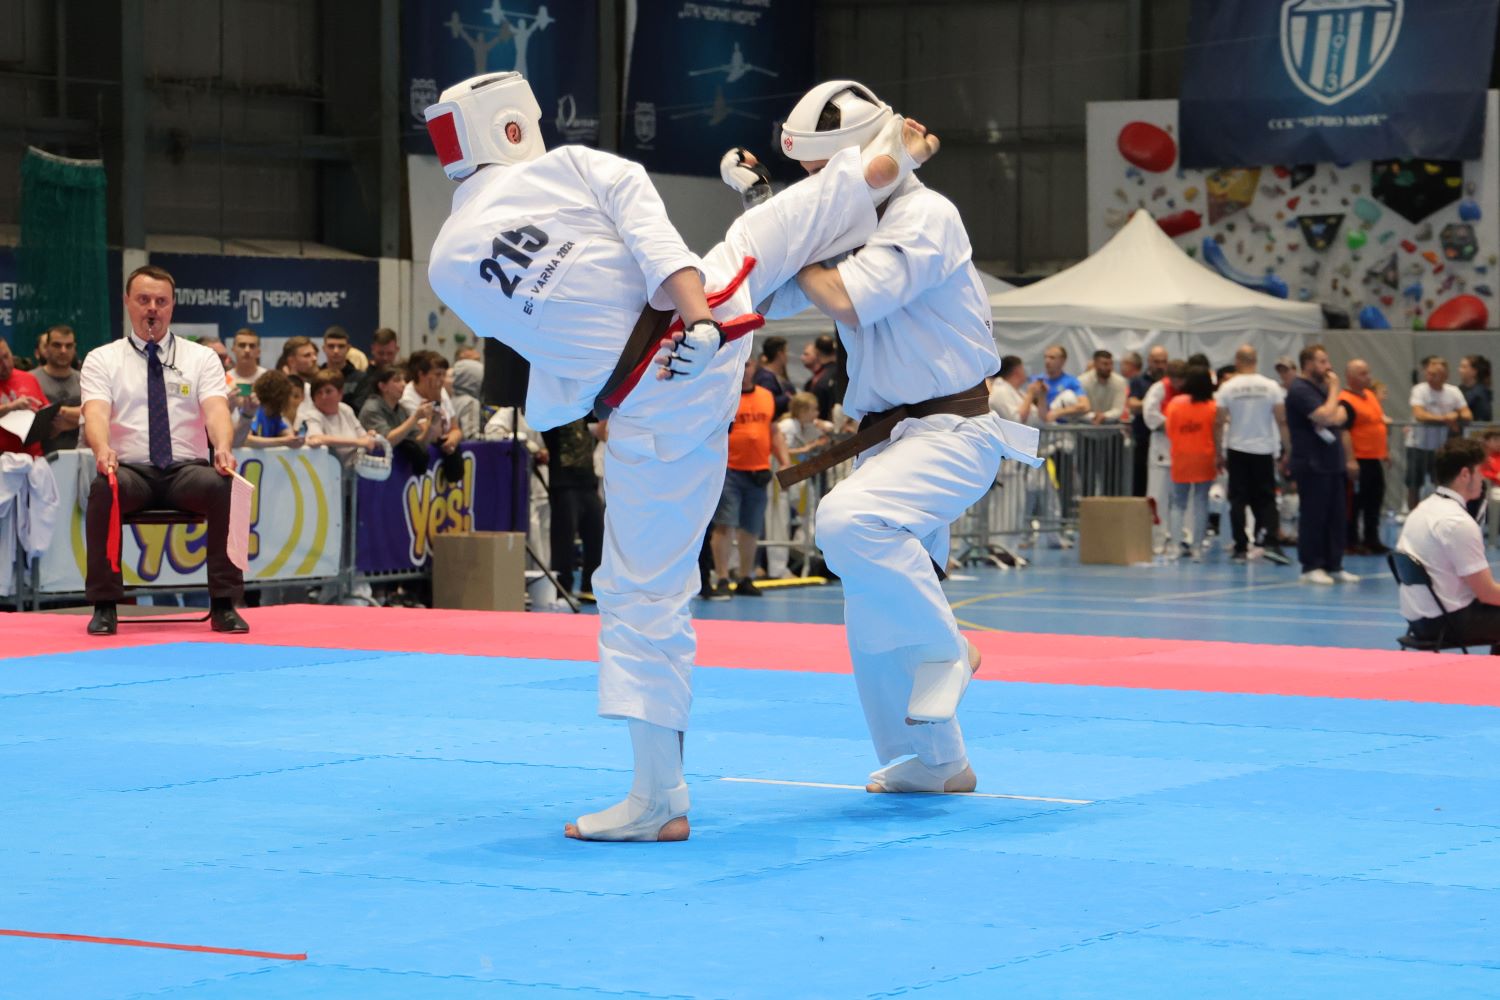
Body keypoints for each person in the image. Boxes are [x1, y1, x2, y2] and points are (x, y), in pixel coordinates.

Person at [425, 70, 930, 840]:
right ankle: (885, 161)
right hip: (705, 330)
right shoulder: (569, 166)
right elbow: (649, 228)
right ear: (514, 127)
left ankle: (659, 795)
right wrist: (698, 320)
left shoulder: (446, 261)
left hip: (647, 403)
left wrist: (596, 397)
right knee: (759, 246)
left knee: (640, 592)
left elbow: (533, 361)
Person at [755, 79, 1039, 797]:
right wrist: (765, 221)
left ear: (862, 155)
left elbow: (846, 297)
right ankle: (936, 762)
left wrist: (793, 240)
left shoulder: (925, 214)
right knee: (875, 610)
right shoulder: (847, 225)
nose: (818, 189)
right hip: (894, 439)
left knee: (849, 520)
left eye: (824, 173)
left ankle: (952, 649)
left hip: (952, 429)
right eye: (809, 178)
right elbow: (766, 294)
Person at [79, 265, 248, 635]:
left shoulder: (201, 358)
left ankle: (224, 604)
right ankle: (105, 605)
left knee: (224, 485)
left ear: (172, 306)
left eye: (161, 301)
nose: (152, 308)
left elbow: (216, 410)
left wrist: (222, 447)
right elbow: (96, 413)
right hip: (129, 470)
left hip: (186, 471)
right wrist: (102, 448)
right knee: (104, 489)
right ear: (127, 302)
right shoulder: (102, 358)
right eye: (144, 300)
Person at [1395, 437, 1500, 648]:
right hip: (1447, 621)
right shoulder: (1456, 522)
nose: (1483, 478)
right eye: (1480, 472)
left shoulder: (1423, 509)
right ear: (1465, 474)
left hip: (1418, 619)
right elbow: (1487, 594)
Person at [709, 355, 790, 598]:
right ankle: (723, 576)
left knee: (751, 528)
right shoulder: (725, 395)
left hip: (758, 471)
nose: (744, 370)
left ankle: (746, 576)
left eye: (747, 365)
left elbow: (773, 430)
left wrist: (785, 461)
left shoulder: (766, 396)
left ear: (754, 366)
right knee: (725, 525)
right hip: (729, 470)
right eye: (741, 365)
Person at [1284, 344, 1356, 585]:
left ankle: (1333, 564)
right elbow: (1325, 416)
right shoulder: (1299, 389)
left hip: (1332, 462)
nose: (1328, 367)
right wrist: (1335, 391)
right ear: (1308, 364)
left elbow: (1342, 414)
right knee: (1314, 515)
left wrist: (1331, 410)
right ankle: (1311, 565)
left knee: (1336, 516)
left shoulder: (1321, 389)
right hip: (1311, 463)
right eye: (1322, 361)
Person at [1213, 344, 1291, 564]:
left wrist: (1218, 452)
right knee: (1266, 498)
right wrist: (1288, 449)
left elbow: (1218, 422)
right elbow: (1282, 420)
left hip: (1237, 449)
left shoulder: (1228, 387)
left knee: (1238, 499)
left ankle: (1240, 547)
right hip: (1263, 450)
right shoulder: (1271, 386)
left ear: (1237, 361)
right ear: (1256, 361)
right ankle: (1270, 542)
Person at [541, 415, 605, 596]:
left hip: (589, 483)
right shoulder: (555, 415)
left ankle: (590, 586)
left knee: (597, 535)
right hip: (563, 483)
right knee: (564, 539)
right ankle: (562, 589)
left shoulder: (588, 414)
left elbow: (602, 430)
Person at [1405, 356, 1471, 512]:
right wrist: (1445, 418)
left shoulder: (1453, 391)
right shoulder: (1419, 390)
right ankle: (1413, 515)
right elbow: (1419, 414)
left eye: (1435, 374)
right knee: (1414, 484)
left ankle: (1439, 514)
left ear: (1445, 376)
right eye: (1428, 373)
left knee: (1441, 484)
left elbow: (1467, 415)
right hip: (1417, 445)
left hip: (1440, 447)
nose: (1430, 377)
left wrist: (1456, 415)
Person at [1339, 358, 1391, 555]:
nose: (1368, 377)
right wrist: (1350, 460)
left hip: (1374, 458)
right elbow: (1344, 431)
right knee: (1355, 503)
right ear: (1350, 377)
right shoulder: (1345, 400)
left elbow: (1377, 424)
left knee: (1374, 500)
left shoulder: (1369, 395)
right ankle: (1350, 541)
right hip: (1358, 459)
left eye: (1368, 372)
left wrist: (1385, 452)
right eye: (1363, 374)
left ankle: (1372, 539)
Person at [1165, 365, 1217, 560]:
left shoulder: (1176, 403)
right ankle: (1197, 548)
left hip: (1181, 456)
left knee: (1178, 503)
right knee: (1201, 502)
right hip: (1205, 457)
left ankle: (1175, 546)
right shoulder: (1212, 407)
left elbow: (1169, 429)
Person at [1141, 359, 1185, 553]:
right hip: (1161, 447)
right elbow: (1149, 415)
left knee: (1181, 498)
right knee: (1157, 496)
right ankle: (1156, 540)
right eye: (1175, 379)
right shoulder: (1158, 389)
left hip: (1183, 449)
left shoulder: (1189, 391)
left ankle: (1181, 538)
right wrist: (1174, 425)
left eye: (1181, 380)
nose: (1178, 384)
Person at [302, 370, 376, 463]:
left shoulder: (345, 409)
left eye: (328, 391)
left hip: (355, 464)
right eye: (318, 393)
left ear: (340, 393)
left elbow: (363, 436)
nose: (323, 396)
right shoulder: (312, 415)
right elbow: (316, 438)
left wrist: (369, 436)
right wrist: (357, 442)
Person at [31, 325, 84, 451]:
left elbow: (99, 415)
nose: (63, 351)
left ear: (74, 348)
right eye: (57, 345)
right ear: (46, 348)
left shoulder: (86, 380)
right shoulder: (31, 379)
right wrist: (79, 418)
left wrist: (62, 415)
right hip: (40, 457)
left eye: (69, 346)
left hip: (80, 456)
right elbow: (29, 420)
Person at [401, 350, 461, 455]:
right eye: (438, 374)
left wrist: (453, 439)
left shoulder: (440, 390)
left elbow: (455, 429)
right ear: (421, 374)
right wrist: (436, 402)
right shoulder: (407, 399)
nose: (442, 379)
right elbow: (433, 436)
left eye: (444, 374)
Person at [1126, 345, 1167, 497]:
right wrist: (1152, 404)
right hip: (1143, 438)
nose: (1160, 366)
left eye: (1163, 362)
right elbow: (1133, 405)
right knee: (1140, 480)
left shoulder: (1170, 382)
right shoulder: (1138, 381)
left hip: (1166, 439)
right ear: (1149, 361)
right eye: (1156, 362)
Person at [357, 365, 431, 444]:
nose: (404, 384)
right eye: (397, 380)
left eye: (404, 380)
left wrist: (432, 422)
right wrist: (415, 417)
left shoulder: (400, 409)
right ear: (383, 386)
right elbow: (386, 441)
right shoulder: (371, 409)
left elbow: (419, 441)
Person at [0, 338, 49, 457]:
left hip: (34, 458)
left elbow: (45, 409)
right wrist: (11, 407)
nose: (5, 364)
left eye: (6, 356)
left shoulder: (29, 378)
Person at [244, 370, 304, 447]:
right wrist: (282, 441)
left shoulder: (275, 416)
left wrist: (296, 440)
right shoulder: (253, 411)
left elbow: (288, 436)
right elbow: (246, 440)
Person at [347, 328, 401, 414]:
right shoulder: (364, 379)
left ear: (397, 350)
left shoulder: (402, 377)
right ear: (372, 349)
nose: (385, 358)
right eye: (381, 353)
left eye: (390, 353)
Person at [753, 335, 795, 418]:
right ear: (780, 354)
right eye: (786, 351)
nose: (787, 355)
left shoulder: (770, 375)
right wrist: (787, 398)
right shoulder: (766, 378)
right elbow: (766, 401)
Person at [802, 334, 841, 420]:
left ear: (816, 352)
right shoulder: (844, 373)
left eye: (806, 354)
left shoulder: (818, 381)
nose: (802, 357)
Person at [1458, 354, 1492, 424]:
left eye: (1464, 367)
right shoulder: (1459, 389)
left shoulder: (1480, 393)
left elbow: (1482, 420)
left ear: (1474, 371)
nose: (1460, 370)